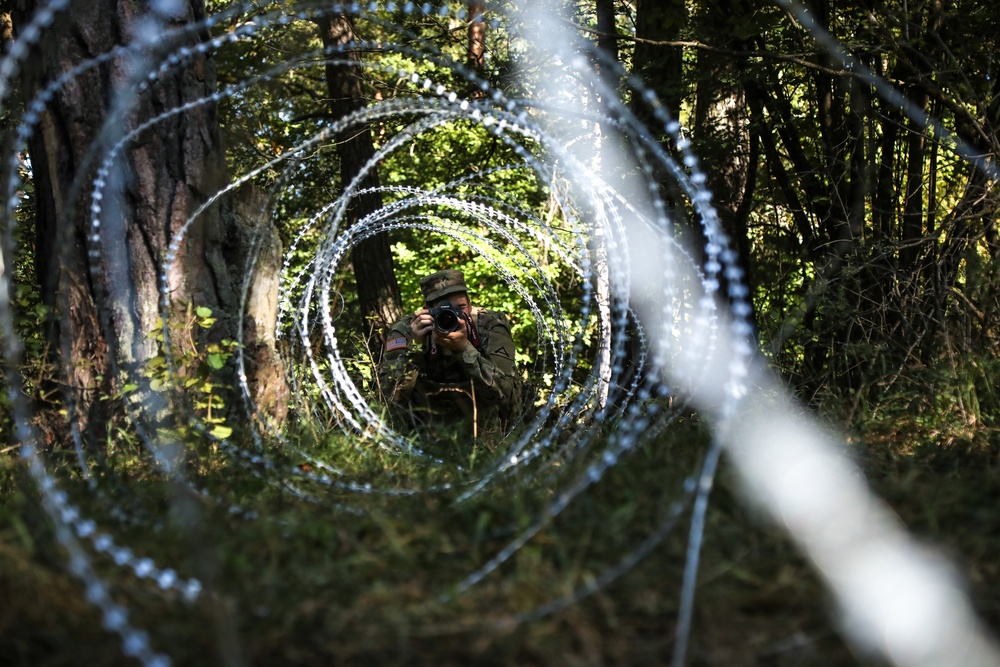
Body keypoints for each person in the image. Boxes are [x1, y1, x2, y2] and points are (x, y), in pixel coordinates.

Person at [378, 269, 522, 444]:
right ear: (426, 310)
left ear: (469, 304)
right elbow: (390, 397)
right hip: (423, 436)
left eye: (460, 308)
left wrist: (465, 349)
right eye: (442, 310)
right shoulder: (408, 329)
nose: (454, 315)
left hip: (485, 436)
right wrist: (416, 348)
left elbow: (507, 396)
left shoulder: (488, 325)